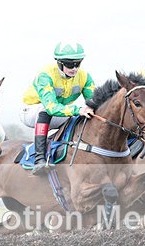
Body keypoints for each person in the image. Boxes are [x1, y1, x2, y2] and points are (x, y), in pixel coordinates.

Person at [20, 41, 96, 175]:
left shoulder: (84, 77)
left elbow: (95, 102)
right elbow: (51, 107)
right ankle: (39, 159)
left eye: (77, 63)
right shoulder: (45, 75)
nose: (74, 68)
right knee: (46, 112)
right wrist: (78, 110)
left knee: (84, 116)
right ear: (59, 62)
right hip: (31, 111)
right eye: (69, 64)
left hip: (58, 112)